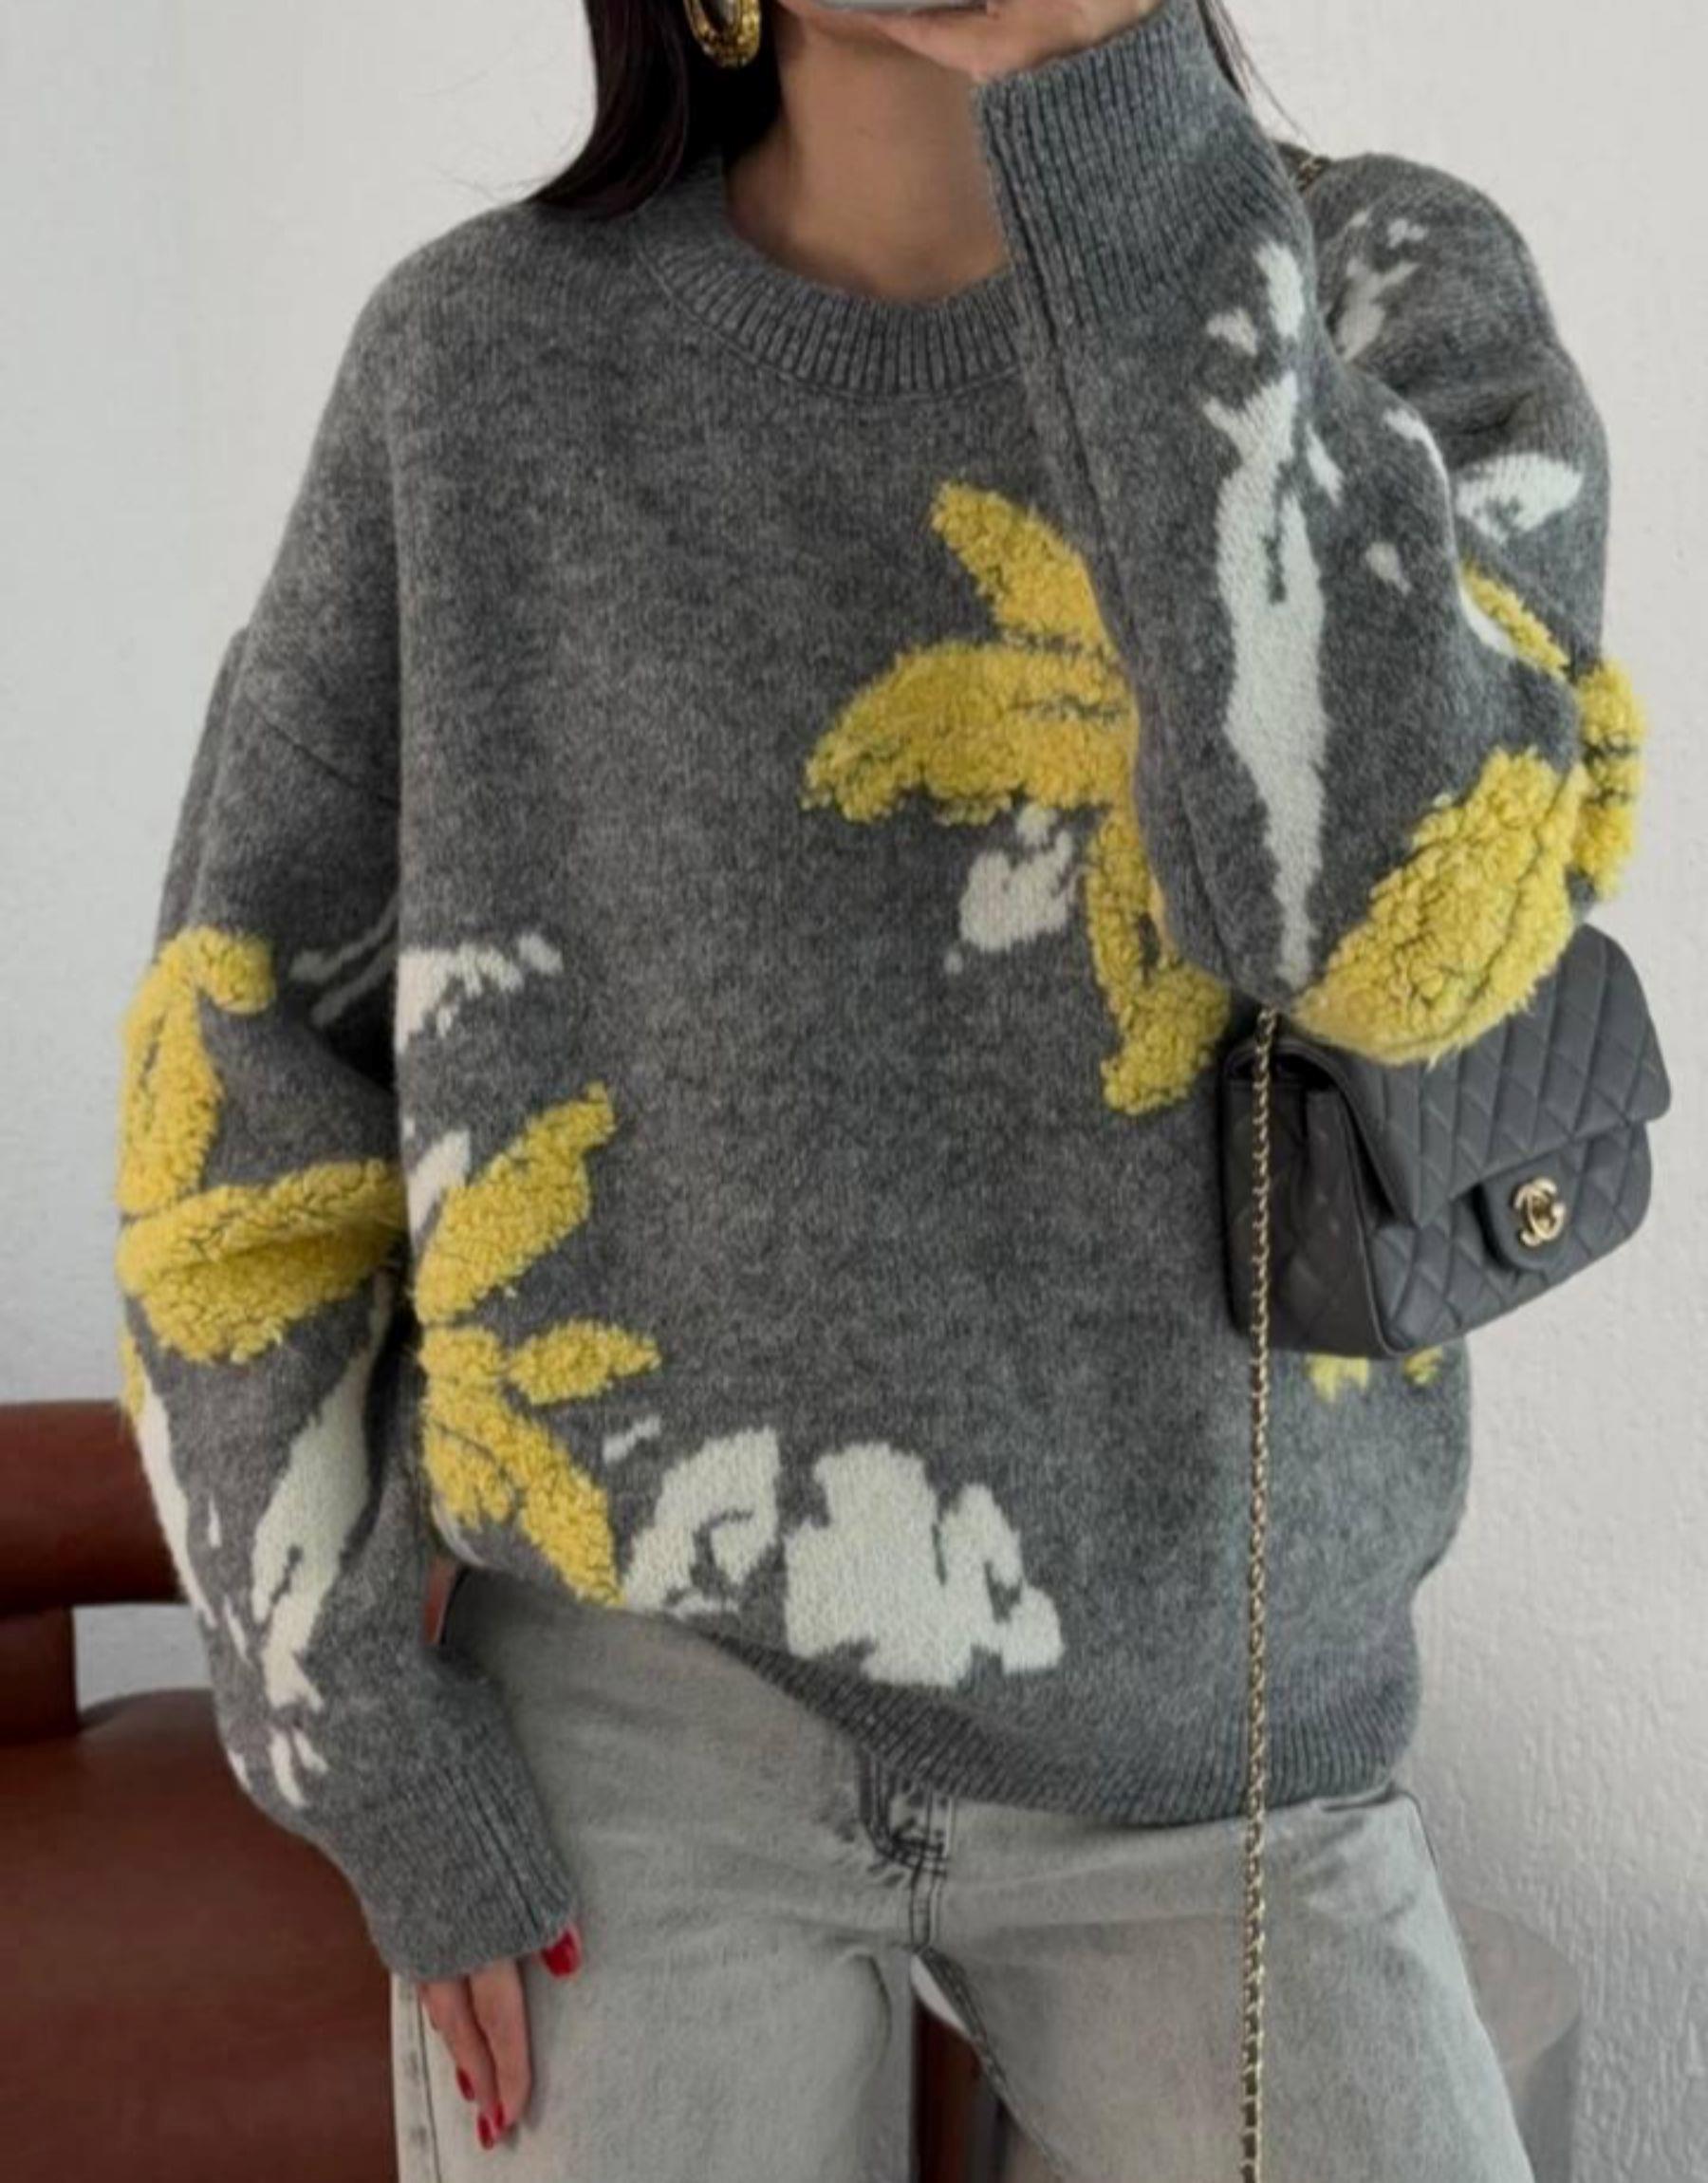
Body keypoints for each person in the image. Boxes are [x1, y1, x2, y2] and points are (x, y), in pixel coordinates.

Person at [113, 0, 1646, 2175]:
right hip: (637, 1724)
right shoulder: (478, 366)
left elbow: (1408, 931)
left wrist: (1118, 134)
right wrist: (356, 1741)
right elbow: (239, 1066)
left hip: (1212, 1740)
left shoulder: (1387, 291)